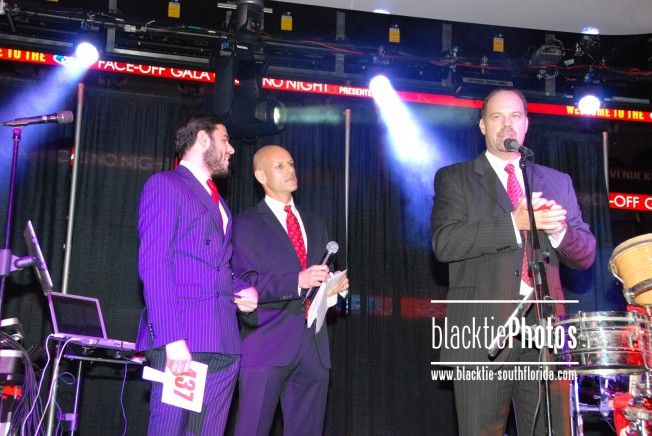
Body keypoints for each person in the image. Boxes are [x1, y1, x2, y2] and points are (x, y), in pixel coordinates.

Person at [430, 89, 596, 435]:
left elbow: (586, 254)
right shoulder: (455, 178)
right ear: (482, 125)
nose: (507, 124)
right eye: (497, 116)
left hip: (546, 334)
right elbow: (445, 243)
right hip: (481, 333)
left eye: (515, 116)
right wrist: (512, 223)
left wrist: (559, 231)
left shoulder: (557, 181)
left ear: (526, 124)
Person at [135, 114, 258, 435]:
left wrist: (241, 288)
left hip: (224, 342)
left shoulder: (220, 203)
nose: (231, 149)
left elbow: (215, 265)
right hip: (185, 337)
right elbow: (155, 265)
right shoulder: (166, 185)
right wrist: (172, 339)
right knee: (170, 430)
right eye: (225, 140)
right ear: (203, 138)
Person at [230, 145, 349, 436]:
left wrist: (333, 288)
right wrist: (297, 280)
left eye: (291, 164)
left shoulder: (315, 223)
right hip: (266, 343)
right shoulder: (245, 224)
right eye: (280, 166)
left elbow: (319, 278)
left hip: (313, 347)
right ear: (261, 176)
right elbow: (245, 282)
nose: (290, 170)